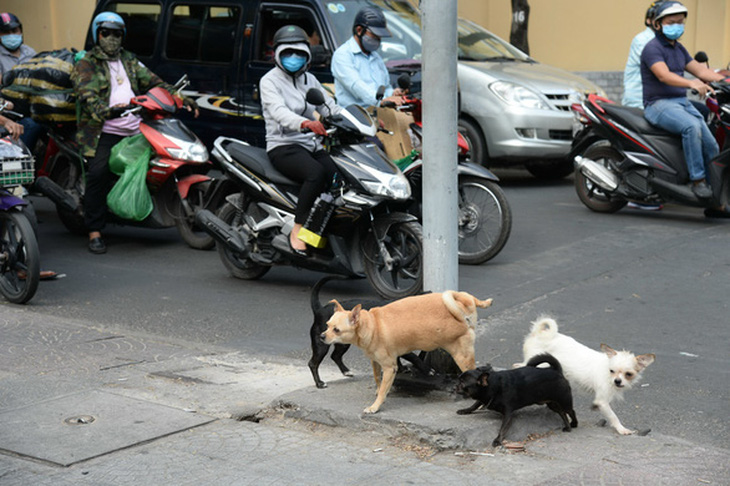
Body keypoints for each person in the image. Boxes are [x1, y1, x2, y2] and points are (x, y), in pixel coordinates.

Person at [71, 12, 197, 254]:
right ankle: (95, 231)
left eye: (116, 33)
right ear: (97, 34)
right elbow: (88, 99)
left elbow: (155, 82)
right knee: (97, 173)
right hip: (103, 131)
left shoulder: (129, 60)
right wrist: (109, 111)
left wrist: (181, 97)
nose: (111, 38)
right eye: (106, 33)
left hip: (136, 126)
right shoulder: (86, 63)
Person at [260, 25, 343, 254]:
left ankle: (316, 231)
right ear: (277, 54)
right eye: (288, 53)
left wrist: (350, 122)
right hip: (283, 145)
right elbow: (278, 112)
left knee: (338, 175)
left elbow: (329, 106)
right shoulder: (269, 81)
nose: (293, 58)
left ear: (307, 56)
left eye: (299, 53)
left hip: (310, 144)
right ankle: (298, 228)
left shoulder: (310, 80)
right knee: (315, 174)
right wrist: (305, 123)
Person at [640, 1, 726, 207]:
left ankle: (716, 194)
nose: (677, 26)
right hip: (658, 104)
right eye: (672, 22)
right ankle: (697, 181)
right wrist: (691, 83)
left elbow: (702, 71)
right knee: (691, 127)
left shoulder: (679, 49)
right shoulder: (652, 49)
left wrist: (724, 79)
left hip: (679, 103)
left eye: (680, 22)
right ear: (658, 24)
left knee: (711, 142)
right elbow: (663, 75)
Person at [331, 7, 404, 108]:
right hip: (351, 117)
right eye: (374, 35)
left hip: (377, 114)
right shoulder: (343, 55)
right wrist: (380, 101)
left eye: (380, 37)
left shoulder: (376, 57)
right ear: (359, 30)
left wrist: (393, 93)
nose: (378, 40)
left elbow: (385, 88)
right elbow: (357, 85)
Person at [0, 12, 42, 151]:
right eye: (6, 32)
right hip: (9, 112)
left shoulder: (30, 52)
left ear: (21, 31)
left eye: (14, 31)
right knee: (31, 125)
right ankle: (18, 159)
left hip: (32, 106)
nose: (11, 35)